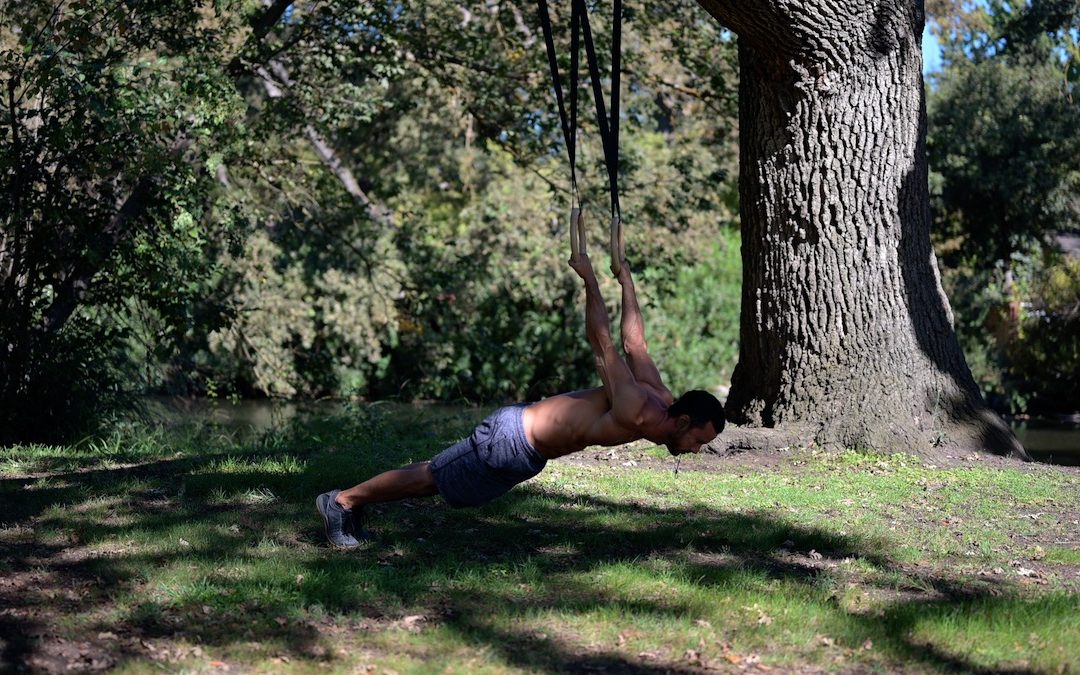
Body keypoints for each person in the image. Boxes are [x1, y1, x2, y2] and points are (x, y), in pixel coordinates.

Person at [315, 253, 725, 548]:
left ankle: (352, 503)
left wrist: (628, 282)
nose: (695, 450)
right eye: (699, 441)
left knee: (437, 482)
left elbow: (635, 341)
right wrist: (590, 280)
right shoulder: (637, 407)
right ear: (685, 421)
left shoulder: (661, 398)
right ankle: (341, 502)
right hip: (512, 439)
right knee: (431, 479)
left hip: (525, 452)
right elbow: (603, 343)